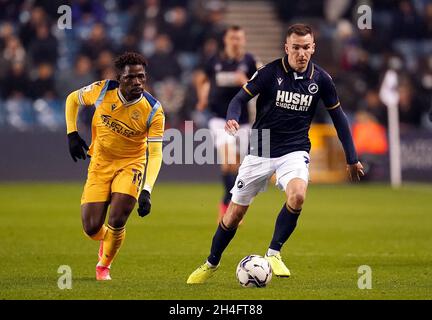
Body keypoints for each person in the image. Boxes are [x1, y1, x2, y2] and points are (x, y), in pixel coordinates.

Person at [187, 24, 364, 284]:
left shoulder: (322, 80)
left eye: (306, 47)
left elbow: (339, 118)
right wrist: (232, 119)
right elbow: (237, 100)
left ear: (313, 47)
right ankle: (211, 262)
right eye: (296, 48)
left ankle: (274, 252)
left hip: (295, 149)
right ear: (286, 48)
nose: (301, 53)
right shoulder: (269, 72)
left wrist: (352, 157)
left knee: (298, 195)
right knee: (234, 214)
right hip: (261, 148)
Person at [65, 52, 165, 281]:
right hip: (100, 162)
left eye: (141, 77)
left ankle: (104, 267)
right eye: (131, 78)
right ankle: (107, 239)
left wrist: (147, 190)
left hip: (131, 165)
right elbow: (72, 99)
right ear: (119, 78)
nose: (137, 82)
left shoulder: (153, 110)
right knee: (91, 227)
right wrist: (72, 133)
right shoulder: (101, 91)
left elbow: (156, 153)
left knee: (118, 217)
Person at [195, 25, 258, 222]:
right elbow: (201, 79)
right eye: (232, 38)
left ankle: (229, 205)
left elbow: (259, 86)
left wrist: (245, 81)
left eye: (239, 38)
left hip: (243, 121)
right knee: (229, 160)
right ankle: (228, 207)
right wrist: (202, 96)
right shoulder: (214, 61)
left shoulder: (249, 62)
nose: (236, 41)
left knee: (236, 167)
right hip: (219, 118)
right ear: (226, 40)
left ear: (244, 40)